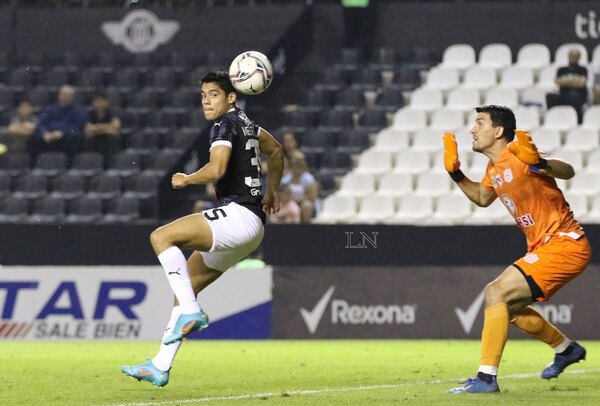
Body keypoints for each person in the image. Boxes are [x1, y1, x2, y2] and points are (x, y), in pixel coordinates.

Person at [121, 71, 284, 387]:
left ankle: (193, 313)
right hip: (252, 227)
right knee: (185, 291)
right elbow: (276, 150)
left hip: (238, 216)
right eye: (203, 95)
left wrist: (186, 178)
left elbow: (217, 169)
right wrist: (272, 190)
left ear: (231, 97)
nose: (207, 101)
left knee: (161, 236)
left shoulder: (224, 125)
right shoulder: (248, 125)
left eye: (214, 94)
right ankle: (159, 365)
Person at [443, 105, 591, 394]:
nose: (472, 129)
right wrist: (456, 174)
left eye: (480, 123)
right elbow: (483, 198)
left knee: (494, 292)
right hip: (545, 245)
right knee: (506, 307)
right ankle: (566, 349)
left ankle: (486, 378)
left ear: (498, 131)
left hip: (565, 243)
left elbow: (568, 170)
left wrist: (538, 163)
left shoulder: (519, 154)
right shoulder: (493, 168)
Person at [27, 85, 86, 159]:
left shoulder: (78, 111)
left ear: (73, 97)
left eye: (68, 95)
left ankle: (69, 165)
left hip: (66, 136)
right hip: (48, 135)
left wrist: (62, 132)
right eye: (63, 94)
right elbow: (41, 123)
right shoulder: (49, 109)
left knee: (74, 137)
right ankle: (35, 165)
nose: (65, 97)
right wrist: (45, 133)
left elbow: (77, 125)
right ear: (59, 95)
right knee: (33, 138)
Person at [545, 49, 588, 123]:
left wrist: (565, 81)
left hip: (578, 96)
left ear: (579, 58)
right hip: (564, 96)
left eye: (575, 56)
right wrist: (575, 81)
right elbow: (557, 81)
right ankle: (553, 118)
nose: (573, 58)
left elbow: (582, 83)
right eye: (571, 56)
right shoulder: (562, 69)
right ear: (568, 57)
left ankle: (577, 120)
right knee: (549, 96)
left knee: (574, 96)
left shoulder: (583, 69)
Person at [84, 92, 122, 161]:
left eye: (102, 101)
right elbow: (88, 128)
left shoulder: (112, 112)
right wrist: (107, 127)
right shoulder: (90, 113)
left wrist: (97, 128)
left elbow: (116, 126)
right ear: (93, 102)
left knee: (113, 138)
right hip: (96, 137)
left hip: (107, 138)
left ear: (106, 102)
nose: (100, 104)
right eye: (97, 101)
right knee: (88, 139)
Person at [281, 156, 320, 222]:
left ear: (302, 168)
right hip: (288, 201)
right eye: (294, 167)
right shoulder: (285, 179)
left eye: (298, 168)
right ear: (291, 168)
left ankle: (306, 225)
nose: (296, 170)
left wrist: (298, 201)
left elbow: (312, 196)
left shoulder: (308, 178)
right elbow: (281, 193)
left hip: (305, 201)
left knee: (306, 206)